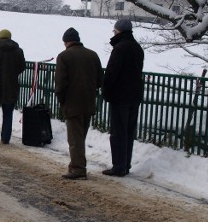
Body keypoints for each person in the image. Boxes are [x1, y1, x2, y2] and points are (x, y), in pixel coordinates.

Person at [55, 27, 103, 180]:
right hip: (88, 101)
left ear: (66, 42)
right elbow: (100, 80)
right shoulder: (92, 55)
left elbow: (61, 82)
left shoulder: (64, 56)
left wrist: (61, 99)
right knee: (81, 136)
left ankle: (78, 169)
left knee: (74, 139)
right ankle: (78, 165)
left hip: (72, 102)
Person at [102, 19, 144, 176]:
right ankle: (126, 164)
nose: (113, 34)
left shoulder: (120, 48)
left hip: (120, 96)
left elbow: (112, 72)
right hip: (135, 95)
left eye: (114, 31)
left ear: (118, 31)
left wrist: (106, 90)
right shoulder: (137, 48)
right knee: (128, 131)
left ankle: (118, 166)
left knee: (118, 132)